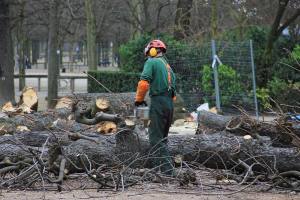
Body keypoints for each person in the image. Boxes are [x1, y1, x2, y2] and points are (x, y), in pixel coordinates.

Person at [134, 39, 176, 176]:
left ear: (152, 51)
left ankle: (169, 172)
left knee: (155, 139)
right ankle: (158, 169)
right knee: (163, 138)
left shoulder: (151, 62)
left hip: (158, 102)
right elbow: (173, 93)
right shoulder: (168, 67)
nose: (148, 56)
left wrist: (139, 101)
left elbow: (143, 84)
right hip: (169, 104)